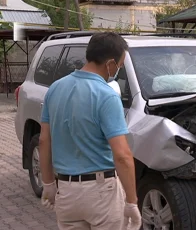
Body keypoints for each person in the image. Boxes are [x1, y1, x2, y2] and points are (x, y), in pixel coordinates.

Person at [39, 32, 141, 230]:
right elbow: (122, 156)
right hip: (101, 192)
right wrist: (131, 201)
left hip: (66, 192)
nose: (117, 70)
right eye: (119, 66)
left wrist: (48, 183)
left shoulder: (55, 89)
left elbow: (44, 141)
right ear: (110, 63)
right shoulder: (107, 96)